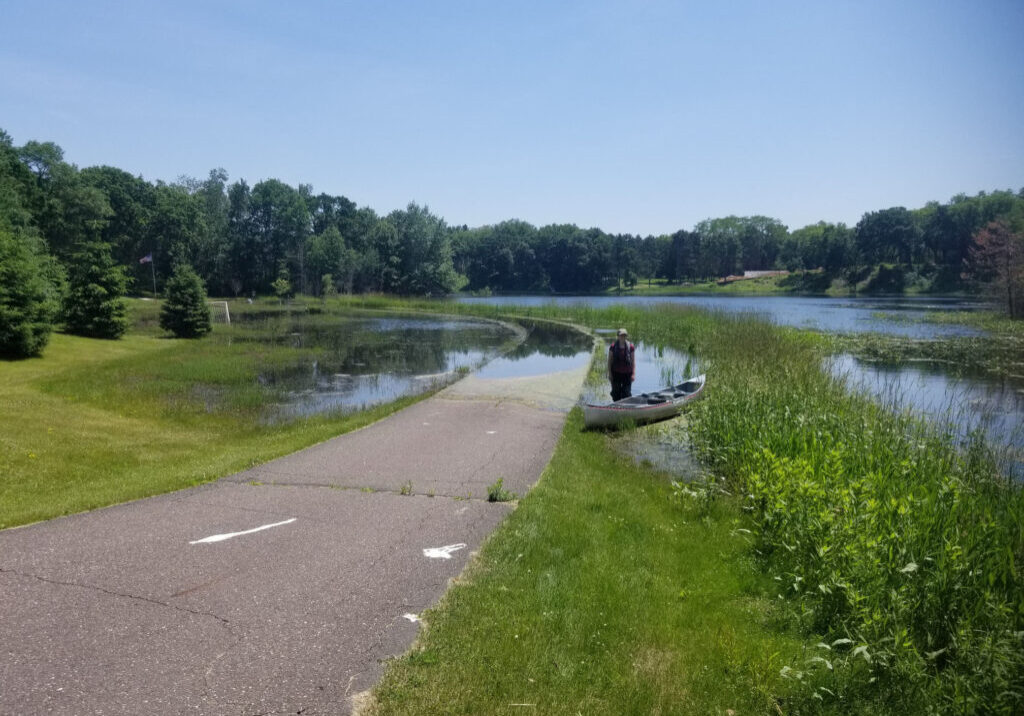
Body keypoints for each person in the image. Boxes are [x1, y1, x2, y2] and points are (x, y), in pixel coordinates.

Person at [607, 328, 635, 401]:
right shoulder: (613, 347)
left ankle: (626, 409)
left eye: (624, 335)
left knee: (626, 393)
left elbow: (633, 362)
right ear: (618, 336)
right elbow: (609, 361)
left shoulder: (631, 347)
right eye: (621, 335)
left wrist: (633, 374)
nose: (623, 337)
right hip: (616, 373)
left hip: (627, 374)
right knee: (616, 393)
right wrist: (610, 374)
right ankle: (616, 409)